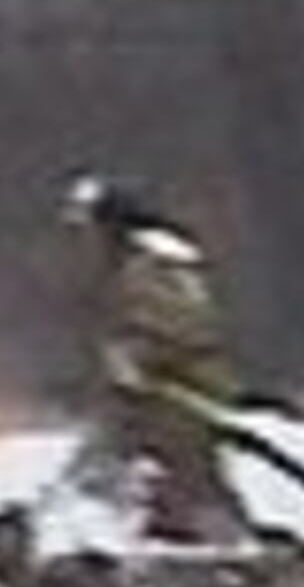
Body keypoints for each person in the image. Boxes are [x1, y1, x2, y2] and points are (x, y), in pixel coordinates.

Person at [62, 174, 254, 544]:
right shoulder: (139, 264)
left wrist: (140, 355)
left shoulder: (155, 266)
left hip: (180, 392)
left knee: (189, 475)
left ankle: (225, 546)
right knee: (121, 471)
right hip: (155, 393)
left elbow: (181, 326)